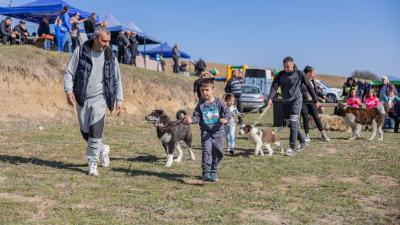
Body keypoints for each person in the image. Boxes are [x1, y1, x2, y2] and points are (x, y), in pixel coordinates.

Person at [64, 26, 123, 176]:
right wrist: (68, 90)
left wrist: (119, 100)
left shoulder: (110, 56)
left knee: (96, 131)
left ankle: (92, 164)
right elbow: (69, 72)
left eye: (109, 41)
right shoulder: (81, 51)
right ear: (95, 38)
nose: (106, 44)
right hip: (82, 97)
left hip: (101, 98)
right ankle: (103, 149)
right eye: (104, 41)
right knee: (86, 133)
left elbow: (117, 79)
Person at [267, 57, 320, 157]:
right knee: (289, 124)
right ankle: (303, 141)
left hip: (296, 101)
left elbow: (309, 86)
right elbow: (274, 86)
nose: (286, 69)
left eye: (287, 66)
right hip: (286, 102)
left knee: (294, 123)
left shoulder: (300, 74)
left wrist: (316, 100)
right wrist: (270, 98)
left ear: (293, 64)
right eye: (284, 66)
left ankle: (292, 147)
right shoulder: (280, 75)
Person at [183, 78, 231, 182]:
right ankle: (206, 172)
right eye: (202, 90)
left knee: (218, 152)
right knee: (206, 151)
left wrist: (225, 119)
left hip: (219, 132)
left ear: (213, 90)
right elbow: (196, 117)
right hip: (206, 133)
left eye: (207, 90)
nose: (204, 92)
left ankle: (214, 170)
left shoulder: (219, 102)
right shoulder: (200, 104)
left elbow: (228, 113)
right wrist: (191, 120)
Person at [300, 66, 330, 142]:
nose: (314, 74)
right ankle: (307, 135)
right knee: (305, 118)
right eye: (313, 73)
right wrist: (305, 94)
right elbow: (303, 90)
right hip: (303, 102)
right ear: (308, 73)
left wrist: (322, 95)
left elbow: (315, 90)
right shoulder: (301, 80)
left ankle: (323, 134)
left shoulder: (313, 81)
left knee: (316, 117)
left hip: (312, 102)